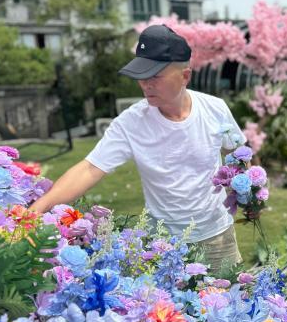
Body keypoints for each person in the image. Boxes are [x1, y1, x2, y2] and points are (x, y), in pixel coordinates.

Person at [31, 25, 246, 268]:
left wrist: (247, 193)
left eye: (154, 76)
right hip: (163, 244)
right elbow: (89, 169)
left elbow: (237, 154)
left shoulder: (215, 109)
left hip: (218, 237)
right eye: (141, 76)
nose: (145, 84)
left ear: (185, 76)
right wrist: (38, 209)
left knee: (227, 292)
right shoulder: (131, 123)